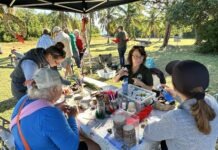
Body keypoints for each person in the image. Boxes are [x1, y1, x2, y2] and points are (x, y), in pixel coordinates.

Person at [143, 60, 218, 150]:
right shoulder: (212, 102)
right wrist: (176, 95)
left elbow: (149, 133)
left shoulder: (174, 118)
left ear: (175, 87)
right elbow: (194, 99)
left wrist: (146, 121)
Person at [11, 68, 80, 149]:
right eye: (61, 86)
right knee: (93, 144)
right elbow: (72, 147)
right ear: (54, 89)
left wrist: (56, 108)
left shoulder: (24, 99)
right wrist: (72, 117)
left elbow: (36, 116)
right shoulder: (50, 114)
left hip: (22, 146)